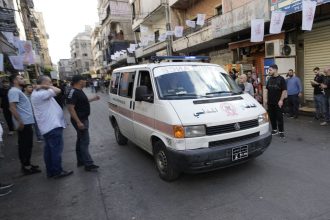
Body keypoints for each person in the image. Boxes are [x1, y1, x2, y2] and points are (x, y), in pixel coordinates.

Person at [31, 76, 73, 179]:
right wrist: (43, 86)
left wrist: (41, 86)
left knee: (49, 151)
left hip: (48, 127)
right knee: (55, 151)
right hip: (52, 126)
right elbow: (58, 90)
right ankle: (57, 171)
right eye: (49, 82)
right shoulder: (41, 93)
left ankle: (51, 171)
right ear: (43, 83)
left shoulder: (38, 93)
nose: (51, 84)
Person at [8, 73, 41, 175]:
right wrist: (20, 121)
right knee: (24, 145)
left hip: (26, 122)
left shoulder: (18, 91)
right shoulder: (13, 91)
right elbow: (12, 107)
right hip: (23, 123)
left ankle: (28, 163)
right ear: (15, 81)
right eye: (20, 78)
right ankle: (26, 167)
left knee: (28, 144)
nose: (23, 79)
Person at [67, 75, 100, 172]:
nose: (86, 82)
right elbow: (70, 108)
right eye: (84, 80)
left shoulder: (78, 91)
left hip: (82, 119)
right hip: (80, 120)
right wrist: (78, 122)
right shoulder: (73, 92)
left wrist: (93, 99)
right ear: (79, 81)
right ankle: (88, 164)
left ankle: (81, 160)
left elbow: (81, 102)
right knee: (85, 141)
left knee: (80, 140)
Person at [266, 64, 287, 138]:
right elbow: (267, 90)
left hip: (278, 102)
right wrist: (266, 100)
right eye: (269, 70)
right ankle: (274, 130)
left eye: (270, 70)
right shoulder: (269, 79)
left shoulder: (281, 79)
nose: (269, 71)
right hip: (270, 102)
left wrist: (281, 100)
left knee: (279, 117)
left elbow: (284, 90)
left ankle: (281, 131)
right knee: (272, 117)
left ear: (275, 70)